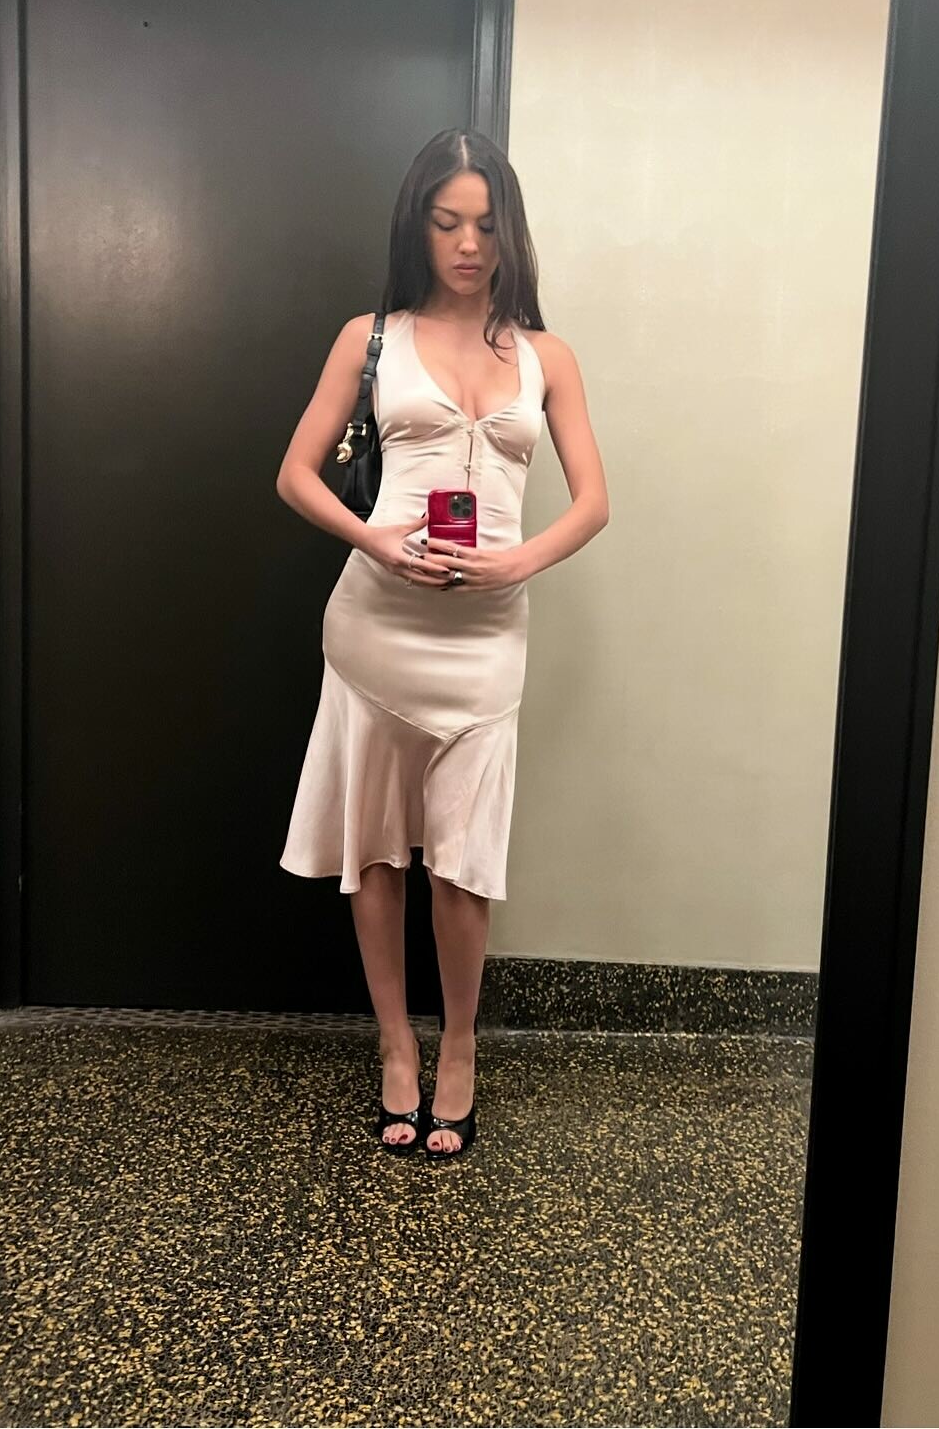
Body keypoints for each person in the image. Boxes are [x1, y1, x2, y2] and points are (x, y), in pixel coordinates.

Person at [276, 129, 609, 1157]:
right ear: (418, 227)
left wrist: (519, 562)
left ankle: (460, 1045)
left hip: (485, 639)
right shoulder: (369, 338)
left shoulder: (547, 355)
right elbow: (294, 475)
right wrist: (374, 538)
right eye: (447, 221)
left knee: (463, 866)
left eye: (487, 224)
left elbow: (593, 502)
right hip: (376, 628)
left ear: (511, 232)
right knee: (376, 851)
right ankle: (395, 1045)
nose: (469, 244)